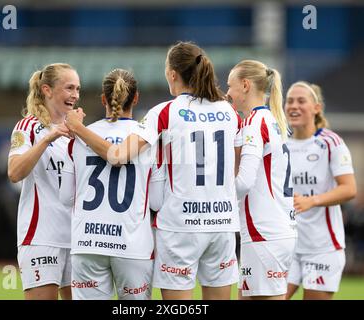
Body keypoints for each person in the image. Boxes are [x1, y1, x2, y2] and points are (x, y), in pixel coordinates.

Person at [65, 41, 242, 300]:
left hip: (182, 227)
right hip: (223, 225)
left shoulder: (164, 112)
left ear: (172, 74)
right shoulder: (230, 112)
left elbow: (117, 156)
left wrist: (78, 128)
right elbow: (236, 171)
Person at [60, 68, 165, 300]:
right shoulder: (146, 138)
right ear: (135, 98)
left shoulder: (79, 137)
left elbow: (65, 196)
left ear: (103, 99)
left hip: (88, 242)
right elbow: (157, 200)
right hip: (133, 246)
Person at [7, 63, 80, 300]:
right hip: (41, 237)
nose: (75, 95)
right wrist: (47, 139)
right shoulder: (27, 127)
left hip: (78, 239)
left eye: (78, 89)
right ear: (47, 90)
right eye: (69, 88)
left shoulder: (79, 132)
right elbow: (14, 172)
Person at [227, 60, 297, 300]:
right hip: (277, 230)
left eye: (230, 86)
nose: (227, 93)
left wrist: (216, 201)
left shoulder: (253, 124)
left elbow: (245, 181)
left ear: (245, 85)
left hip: (263, 233)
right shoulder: (274, 121)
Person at [284, 81, 356, 300]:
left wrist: (312, 201)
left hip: (322, 247)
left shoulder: (330, 143)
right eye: (289, 101)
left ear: (316, 108)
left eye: (301, 101)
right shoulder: (280, 144)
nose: (294, 106)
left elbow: (349, 189)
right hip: (286, 244)